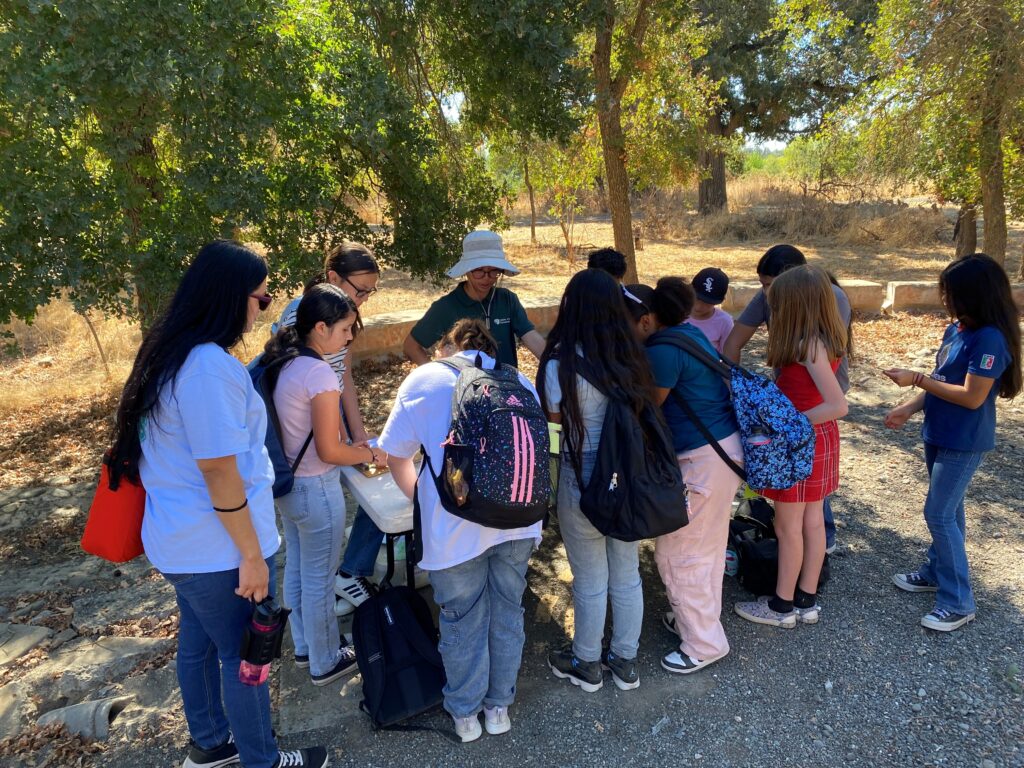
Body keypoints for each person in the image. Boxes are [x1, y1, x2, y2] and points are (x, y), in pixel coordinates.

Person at [107, 241, 327, 768]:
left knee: (200, 646)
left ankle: (211, 743)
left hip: (183, 544)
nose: (264, 309)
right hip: (220, 550)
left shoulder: (170, 352)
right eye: (262, 299)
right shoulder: (207, 368)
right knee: (246, 657)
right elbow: (219, 469)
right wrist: (251, 556)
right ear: (232, 299)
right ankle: (262, 760)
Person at [380, 319, 542, 742]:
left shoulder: (425, 379)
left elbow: (393, 454)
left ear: (448, 346)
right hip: (519, 521)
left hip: (455, 528)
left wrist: (425, 497)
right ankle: (499, 707)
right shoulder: (519, 380)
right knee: (508, 611)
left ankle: (466, 715)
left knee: (461, 618)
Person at [884, 254, 1021, 632]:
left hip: (965, 440)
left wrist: (916, 379)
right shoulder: (956, 329)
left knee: (939, 513)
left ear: (974, 295)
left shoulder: (989, 338)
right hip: (939, 432)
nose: (946, 301)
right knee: (950, 511)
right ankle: (935, 571)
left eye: (951, 294)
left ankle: (958, 601)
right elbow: (944, 380)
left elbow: (971, 397)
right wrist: (910, 408)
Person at [537, 269, 656, 693]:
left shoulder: (559, 362)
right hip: (626, 474)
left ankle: (587, 662)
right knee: (626, 573)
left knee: (589, 577)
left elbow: (555, 420)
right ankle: (625, 661)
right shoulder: (631, 355)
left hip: (580, 473)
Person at [263, 284, 388, 685]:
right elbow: (331, 450)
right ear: (320, 327)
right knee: (320, 581)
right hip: (317, 489)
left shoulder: (287, 360)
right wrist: (370, 454)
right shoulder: (319, 374)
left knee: (298, 571)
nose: (350, 338)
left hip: (290, 488)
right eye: (346, 329)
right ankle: (326, 659)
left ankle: (305, 647)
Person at [272, 242, 385, 617]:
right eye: (361, 289)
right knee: (315, 565)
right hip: (306, 455)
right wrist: (353, 449)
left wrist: (358, 435)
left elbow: (342, 379)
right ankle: (320, 651)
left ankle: (304, 640)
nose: (366, 299)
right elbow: (312, 387)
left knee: (303, 558)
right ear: (334, 278)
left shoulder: (341, 317)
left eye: (371, 290)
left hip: (320, 441)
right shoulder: (304, 320)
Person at [733, 265, 848, 629]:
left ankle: (781, 606)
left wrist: (786, 424)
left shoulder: (807, 346)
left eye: (778, 304)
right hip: (817, 440)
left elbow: (837, 405)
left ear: (795, 305)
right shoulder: (825, 339)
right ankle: (805, 600)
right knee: (812, 523)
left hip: (800, 442)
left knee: (788, 527)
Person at [722, 244, 851, 553]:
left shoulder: (822, 322)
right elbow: (734, 342)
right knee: (801, 514)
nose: (765, 294)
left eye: (770, 287)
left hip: (810, 409)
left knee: (802, 512)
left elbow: (833, 398)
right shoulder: (778, 301)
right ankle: (802, 585)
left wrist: (788, 423)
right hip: (792, 409)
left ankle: (795, 584)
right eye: (763, 286)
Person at [644, 277, 744, 673]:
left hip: (703, 459)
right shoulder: (693, 335)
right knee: (705, 549)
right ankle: (695, 620)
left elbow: (650, 408)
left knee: (680, 552)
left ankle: (703, 643)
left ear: (651, 317)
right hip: (721, 452)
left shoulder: (664, 352)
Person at [403, 230, 546, 368]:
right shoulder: (447, 306)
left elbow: (531, 338)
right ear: (466, 270)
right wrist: (438, 376)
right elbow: (411, 346)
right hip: (466, 389)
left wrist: (555, 365)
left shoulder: (507, 300)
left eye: (494, 271)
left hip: (505, 387)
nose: (486, 278)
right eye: (478, 270)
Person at [686, 267, 733, 354]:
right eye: (697, 298)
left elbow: (728, 356)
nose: (698, 307)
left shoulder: (724, 322)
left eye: (707, 303)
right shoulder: (677, 313)